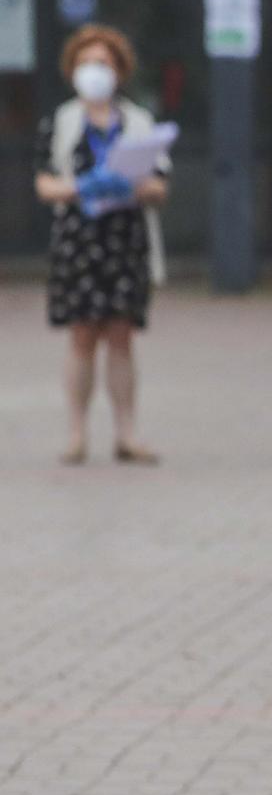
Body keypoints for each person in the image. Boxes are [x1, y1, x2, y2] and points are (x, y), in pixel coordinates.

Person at [33, 24, 170, 465]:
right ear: (73, 70)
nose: (95, 71)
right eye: (87, 63)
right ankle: (76, 434)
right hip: (79, 239)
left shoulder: (139, 122)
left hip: (124, 239)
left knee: (121, 336)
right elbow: (44, 184)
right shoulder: (60, 121)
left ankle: (127, 433)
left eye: (104, 63)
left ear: (120, 71)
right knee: (82, 336)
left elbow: (160, 186)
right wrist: (80, 188)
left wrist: (134, 185)